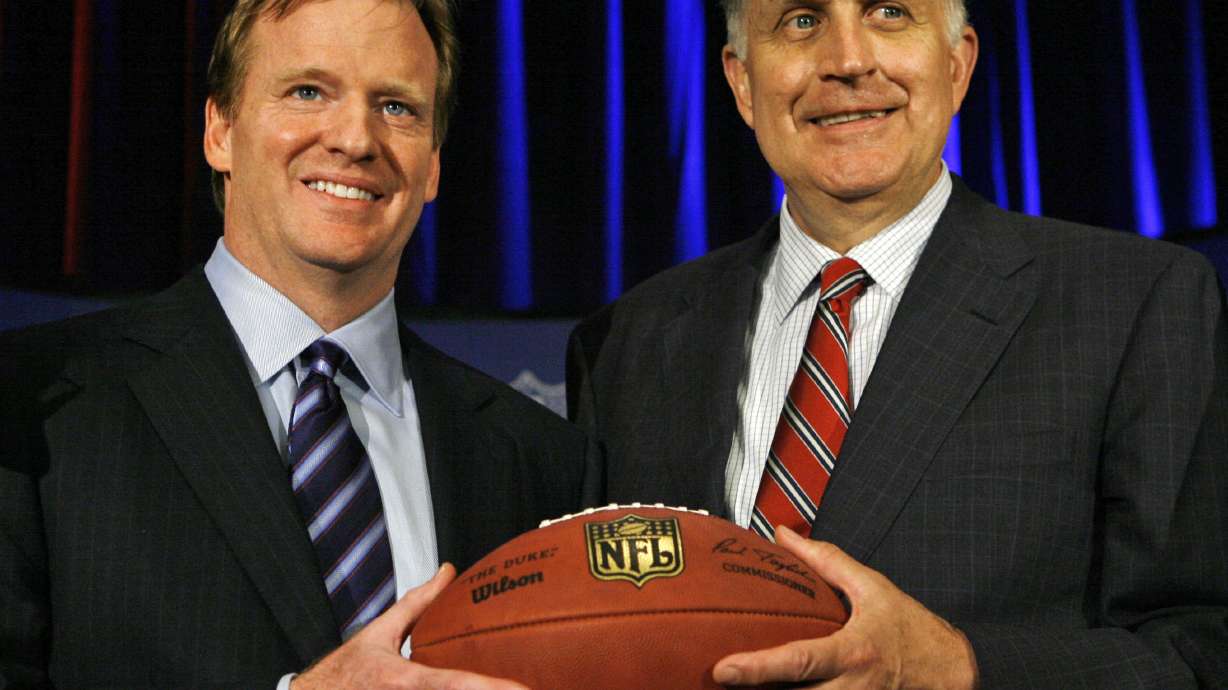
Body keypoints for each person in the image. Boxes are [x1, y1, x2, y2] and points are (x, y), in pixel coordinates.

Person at [567, 0, 1228, 687]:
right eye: (801, 21)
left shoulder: (1134, 303)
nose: (849, 60)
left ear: (957, 63)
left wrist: (956, 667)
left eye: (890, 12)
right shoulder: (626, 341)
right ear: (740, 80)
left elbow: (1203, 648)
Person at [0, 1, 596, 688]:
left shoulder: (543, 462)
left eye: (397, 107)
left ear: (432, 165)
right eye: (308, 91)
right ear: (219, 129)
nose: (354, 139)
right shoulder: (32, 413)